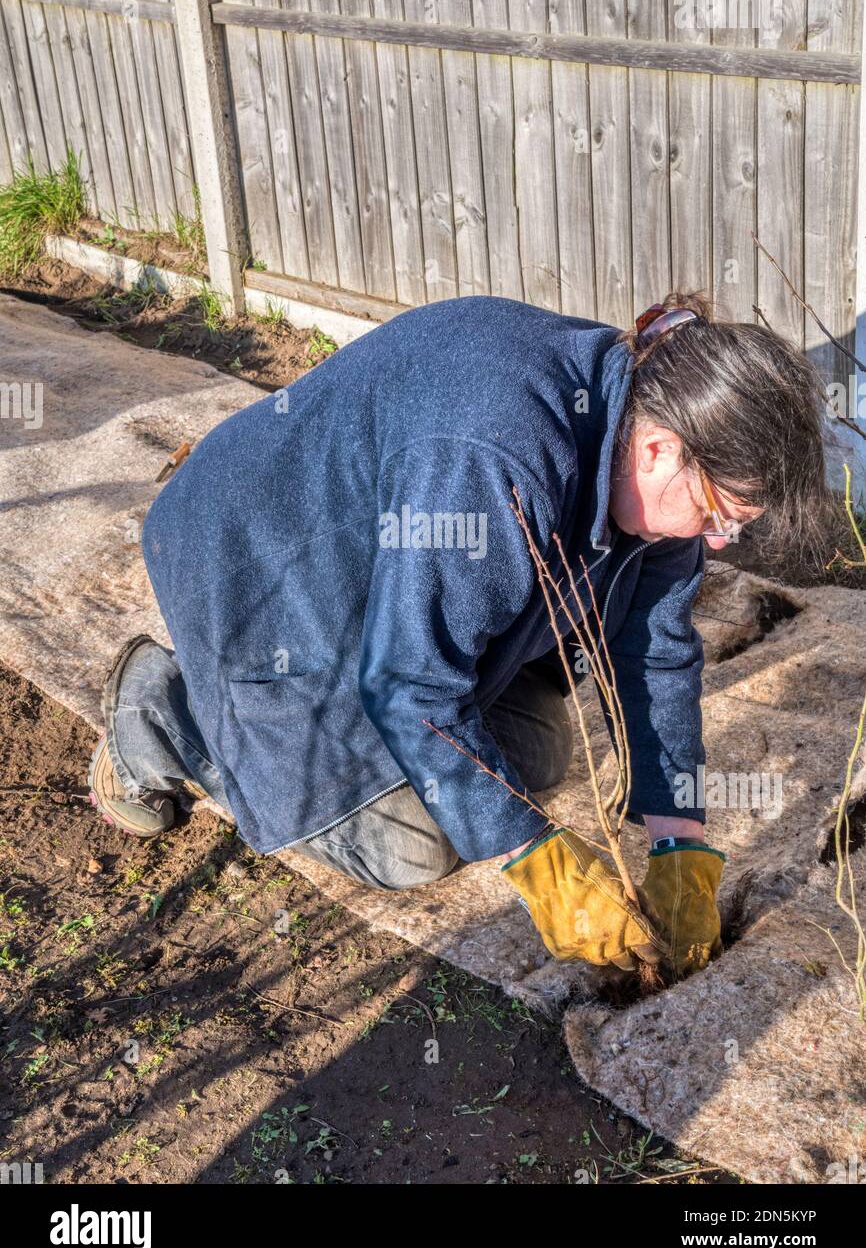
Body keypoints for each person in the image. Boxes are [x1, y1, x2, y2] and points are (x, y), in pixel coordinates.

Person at [87, 291, 830, 975]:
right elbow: (407, 683)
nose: (724, 540)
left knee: (536, 755)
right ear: (662, 448)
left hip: (386, 574)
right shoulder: (498, 455)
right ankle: (167, 714)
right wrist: (536, 863)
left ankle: (347, 730)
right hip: (263, 570)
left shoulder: (645, 422)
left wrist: (681, 839)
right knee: (408, 847)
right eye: (721, 512)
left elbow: (657, 651)